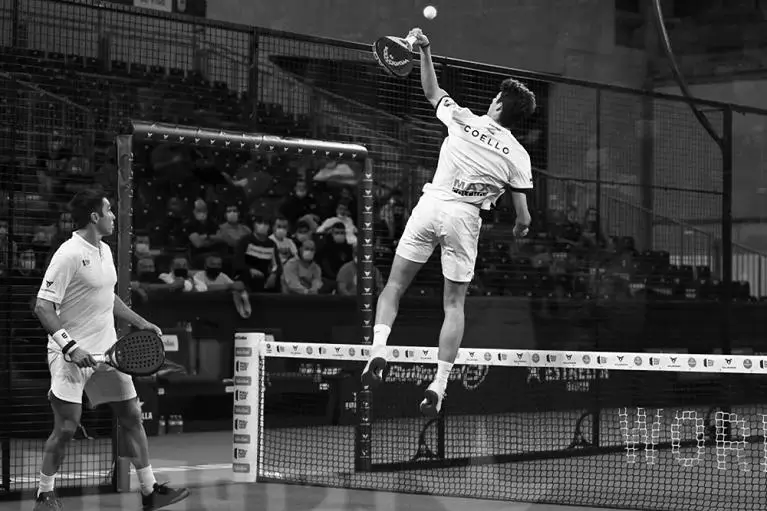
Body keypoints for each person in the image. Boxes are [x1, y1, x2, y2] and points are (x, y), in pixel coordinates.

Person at [361, 27, 535, 418]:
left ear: (496, 103)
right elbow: (522, 215)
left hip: (430, 205)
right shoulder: (518, 155)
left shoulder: (462, 118)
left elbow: (430, 92)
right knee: (453, 305)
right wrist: (521, 227)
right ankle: (438, 385)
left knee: (394, 286)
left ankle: (378, 351)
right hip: (463, 219)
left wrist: (424, 51)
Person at [32, 189, 189, 511]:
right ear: (94, 216)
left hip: (108, 352)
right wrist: (71, 347)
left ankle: (149, 491)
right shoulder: (69, 254)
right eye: (109, 210)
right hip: (69, 354)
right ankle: (44, 494)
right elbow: (43, 307)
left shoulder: (104, 250)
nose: (114, 216)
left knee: (131, 415)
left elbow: (108, 297)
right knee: (65, 428)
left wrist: (140, 321)